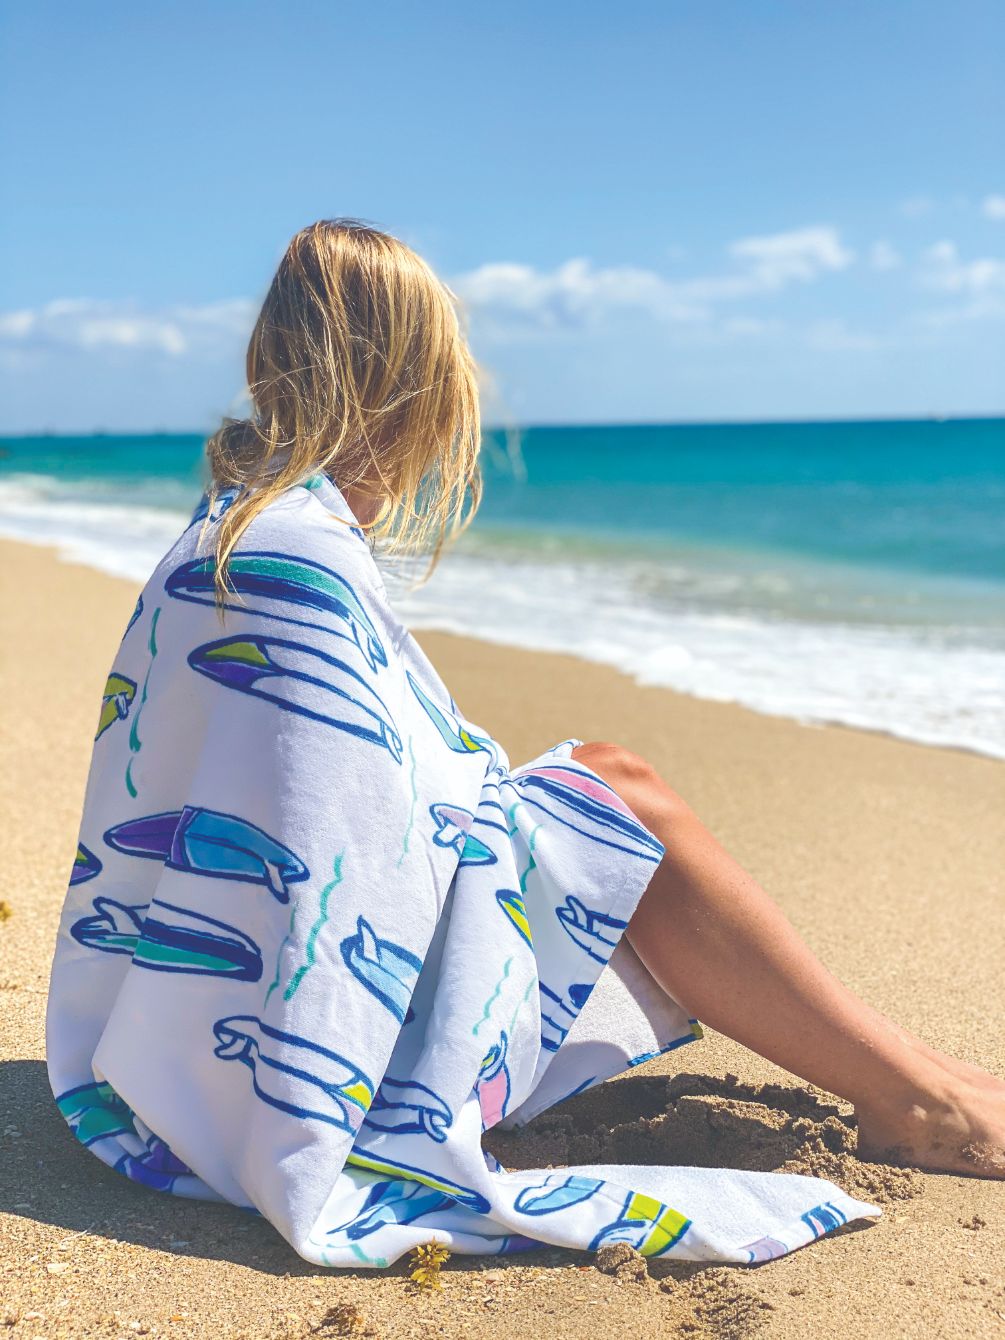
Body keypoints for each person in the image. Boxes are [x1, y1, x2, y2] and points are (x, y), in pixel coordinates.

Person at [46, 221, 1003, 1273]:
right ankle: (919, 1096)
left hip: (197, 1015)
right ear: (414, 387)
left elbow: (336, 803)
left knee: (592, 794)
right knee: (617, 794)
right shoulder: (292, 554)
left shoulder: (244, 525)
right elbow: (358, 843)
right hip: (294, 1034)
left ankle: (915, 1069)